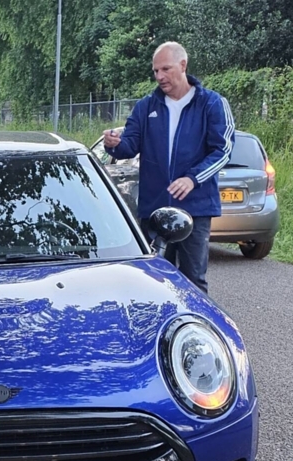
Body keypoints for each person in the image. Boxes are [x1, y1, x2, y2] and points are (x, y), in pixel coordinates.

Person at [102, 41, 233, 295]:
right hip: (154, 209)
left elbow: (223, 150)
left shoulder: (212, 104)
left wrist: (192, 179)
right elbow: (129, 145)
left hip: (195, 209)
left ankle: (192, 331)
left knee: (193, 280)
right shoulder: (146, 106)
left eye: (165, 69)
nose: (159, 76)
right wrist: (114, 145)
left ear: (183, 65)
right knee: (153, 280)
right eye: (155, 71)